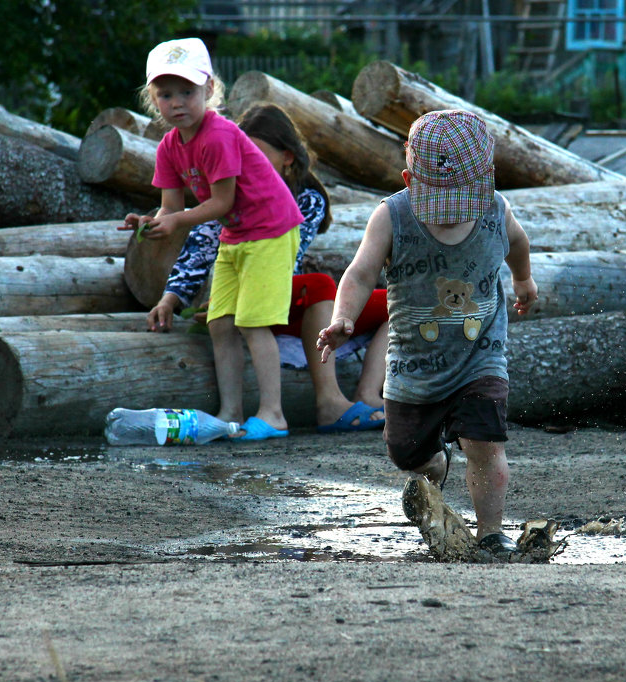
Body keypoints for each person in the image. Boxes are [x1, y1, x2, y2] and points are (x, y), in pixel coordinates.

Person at [317, 109, 537, 557]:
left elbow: (517, 242)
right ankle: (437, 460)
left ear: (489, 180)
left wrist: (523, 280)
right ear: (409, 180)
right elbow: (359, 274)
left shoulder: (497, 209)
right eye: (441, 205)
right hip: (413, 365)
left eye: (462, 204)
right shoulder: (392, 217)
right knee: (406, 453)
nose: (450, 216)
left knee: (485, 443)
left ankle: (491, 533)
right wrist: (344, 317)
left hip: (481, 354)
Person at [143, 102, 390, 433]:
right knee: (304, 291)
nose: (245, 162)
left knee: (377, 299)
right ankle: (250, 410)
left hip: (273, 291)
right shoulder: (228, 186)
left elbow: (286, 260)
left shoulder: (305, 198)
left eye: (256, 154)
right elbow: (199, 245)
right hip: (260, 297)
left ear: (287, 157)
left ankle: (363, 394)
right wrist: (171, 298)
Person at [119, 38, 303, 441]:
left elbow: (222, 201)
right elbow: (170, 208)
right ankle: (230, 412)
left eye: (187, 91)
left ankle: (273, 414)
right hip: (237, 234)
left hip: (271, 228)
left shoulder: (218, 134)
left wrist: (178, 218)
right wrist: (148, 223)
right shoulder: (169, 146)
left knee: (255, 323)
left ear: (209, 90)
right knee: (219, 322)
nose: (177, 102)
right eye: (165, 94)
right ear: (153, 99)